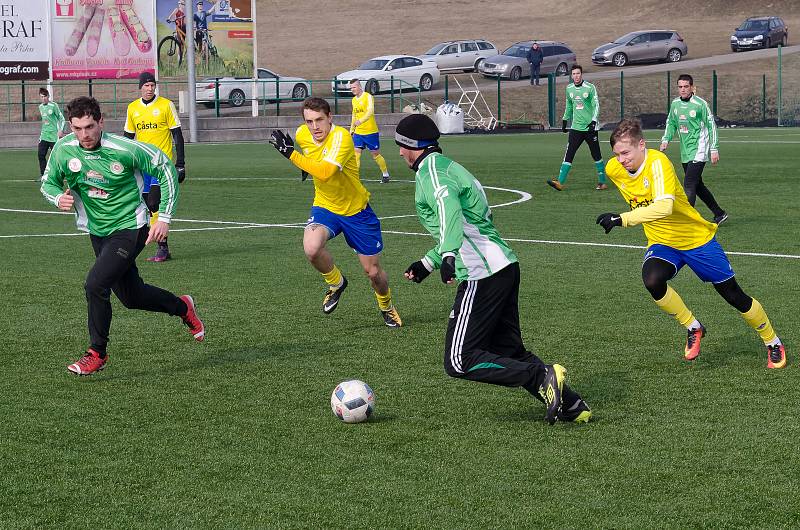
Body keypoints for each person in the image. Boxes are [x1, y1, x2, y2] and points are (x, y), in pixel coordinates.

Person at [396, 113, 591, 424]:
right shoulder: (450, 167)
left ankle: (542, 377)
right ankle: (571, 405)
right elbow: (470, 225)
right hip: (502, 267)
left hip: (481, 274)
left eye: (400, 146)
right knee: (509, 351)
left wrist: (447, 255)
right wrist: (429, 262)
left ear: (411, 146)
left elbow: (449, 210)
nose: (400, 153)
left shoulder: (431, 171)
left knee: (459, 360)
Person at [596, 118, 786, 368]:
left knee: (734, 295)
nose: (620, 159)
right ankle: (693, 327)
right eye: (616, 154)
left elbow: (665, 206)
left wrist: (622, 219)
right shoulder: (613, 169)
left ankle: (772, 341)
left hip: (696, 239)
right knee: (652, 280)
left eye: (625, 152)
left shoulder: (658, 163)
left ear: (642, 145)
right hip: (663, 241)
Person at [39, 96, 204, 376]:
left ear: (101, 122)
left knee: (95, 284)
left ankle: (96, 353)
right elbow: (48, 182)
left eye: (90, 127)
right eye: (77, 129)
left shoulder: (124, 149)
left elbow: (165, 168)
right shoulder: (64, 150)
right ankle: (182, 306)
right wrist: (57, 198)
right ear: (70, 126)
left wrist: (163, 217)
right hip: (97, 230)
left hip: (131, 226)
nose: (84, 134)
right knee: (132, 296)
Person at [268, 97, 402, 328]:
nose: (315, 127)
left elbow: (327, 171)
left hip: (356, 211)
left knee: (373, 273)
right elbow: (311, 158)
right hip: (325, 206)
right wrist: (303, 165)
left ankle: (386, 306)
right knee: (311, 248)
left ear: (330, 118)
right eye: (309, 121)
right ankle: (337, 283)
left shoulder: (341, 137)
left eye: (320, 120)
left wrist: (292, 156)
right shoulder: (302, 134)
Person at [124, 71, 186, 262]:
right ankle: (159, 246)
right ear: (140, 87)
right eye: (147, 85)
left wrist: (181, 164)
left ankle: (162, 247)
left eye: (153, 85)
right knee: (146, 206)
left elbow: (177, 135)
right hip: (142, 166)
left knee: (153, 202)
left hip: (162, 165)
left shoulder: (166, 105)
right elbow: (128, 138)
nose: (150, 88)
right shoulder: (133, 108)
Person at [660, 74, 727, 225]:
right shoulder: (675, 104)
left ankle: (686, 220)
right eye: (680, 87)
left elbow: (711, 126)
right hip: (685, 151)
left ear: (692, 87)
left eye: (686, 86)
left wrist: (714, 148)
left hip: (699, 149)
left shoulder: (700, 104)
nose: (683, 89)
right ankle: (719, 213)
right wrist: (666, 139)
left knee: (689, 184)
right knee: (698, 185)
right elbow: (671, 123)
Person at [547, 64, 607, 191]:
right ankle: (560, 182)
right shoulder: (569, 89)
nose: (576, 76)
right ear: (571, 75)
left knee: (596, 154)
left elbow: (596, 105)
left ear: (581, 74)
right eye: (574, 74)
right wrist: (564, 120)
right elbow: (569, 105)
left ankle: (602, 182)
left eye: (578, 73)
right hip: (576, 128)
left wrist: (594, 121)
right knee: (569, 153)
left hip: (590, 128)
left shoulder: (590, 87)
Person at [349, 79, 391, 183]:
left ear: (359, 86)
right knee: (356, 154)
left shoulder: (368, 97)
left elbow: (370, 111)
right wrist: (352, 129)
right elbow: (354, 115)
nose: (352, 90)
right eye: (351, 88)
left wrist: (361, 120)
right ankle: (355, 178)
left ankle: (385, 174)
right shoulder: (354, 100)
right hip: (358, 133)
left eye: (354, 87)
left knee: (375, 155)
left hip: (370, 132)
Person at [37, 88, 66, 176]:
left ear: (48, 96)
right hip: (44, 136)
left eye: (45, 96)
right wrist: (40, 136)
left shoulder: (54, 106)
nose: (43, 98)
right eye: (41, 97)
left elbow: (62, 119)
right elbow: (45, 122)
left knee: (56, 157)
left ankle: (61, 174)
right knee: (41, 155)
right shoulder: (40, 107)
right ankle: (44, 175)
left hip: (54, 136)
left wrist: (61, 130)